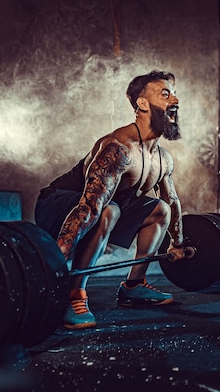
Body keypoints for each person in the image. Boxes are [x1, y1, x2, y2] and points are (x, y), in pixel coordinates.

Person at [35, 70, 187, 330]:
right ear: (141, 103)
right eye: (165, 94)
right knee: (109, 211)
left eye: (174, 93)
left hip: (105, 207)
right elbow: (90, 207)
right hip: (59, 203)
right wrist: (60, 259)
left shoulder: (161, 158)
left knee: (159, 209)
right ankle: (74, 295)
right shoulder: (119, 148)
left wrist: (179, 243)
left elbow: (171, 202)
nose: (175, 100)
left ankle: (134, 286)